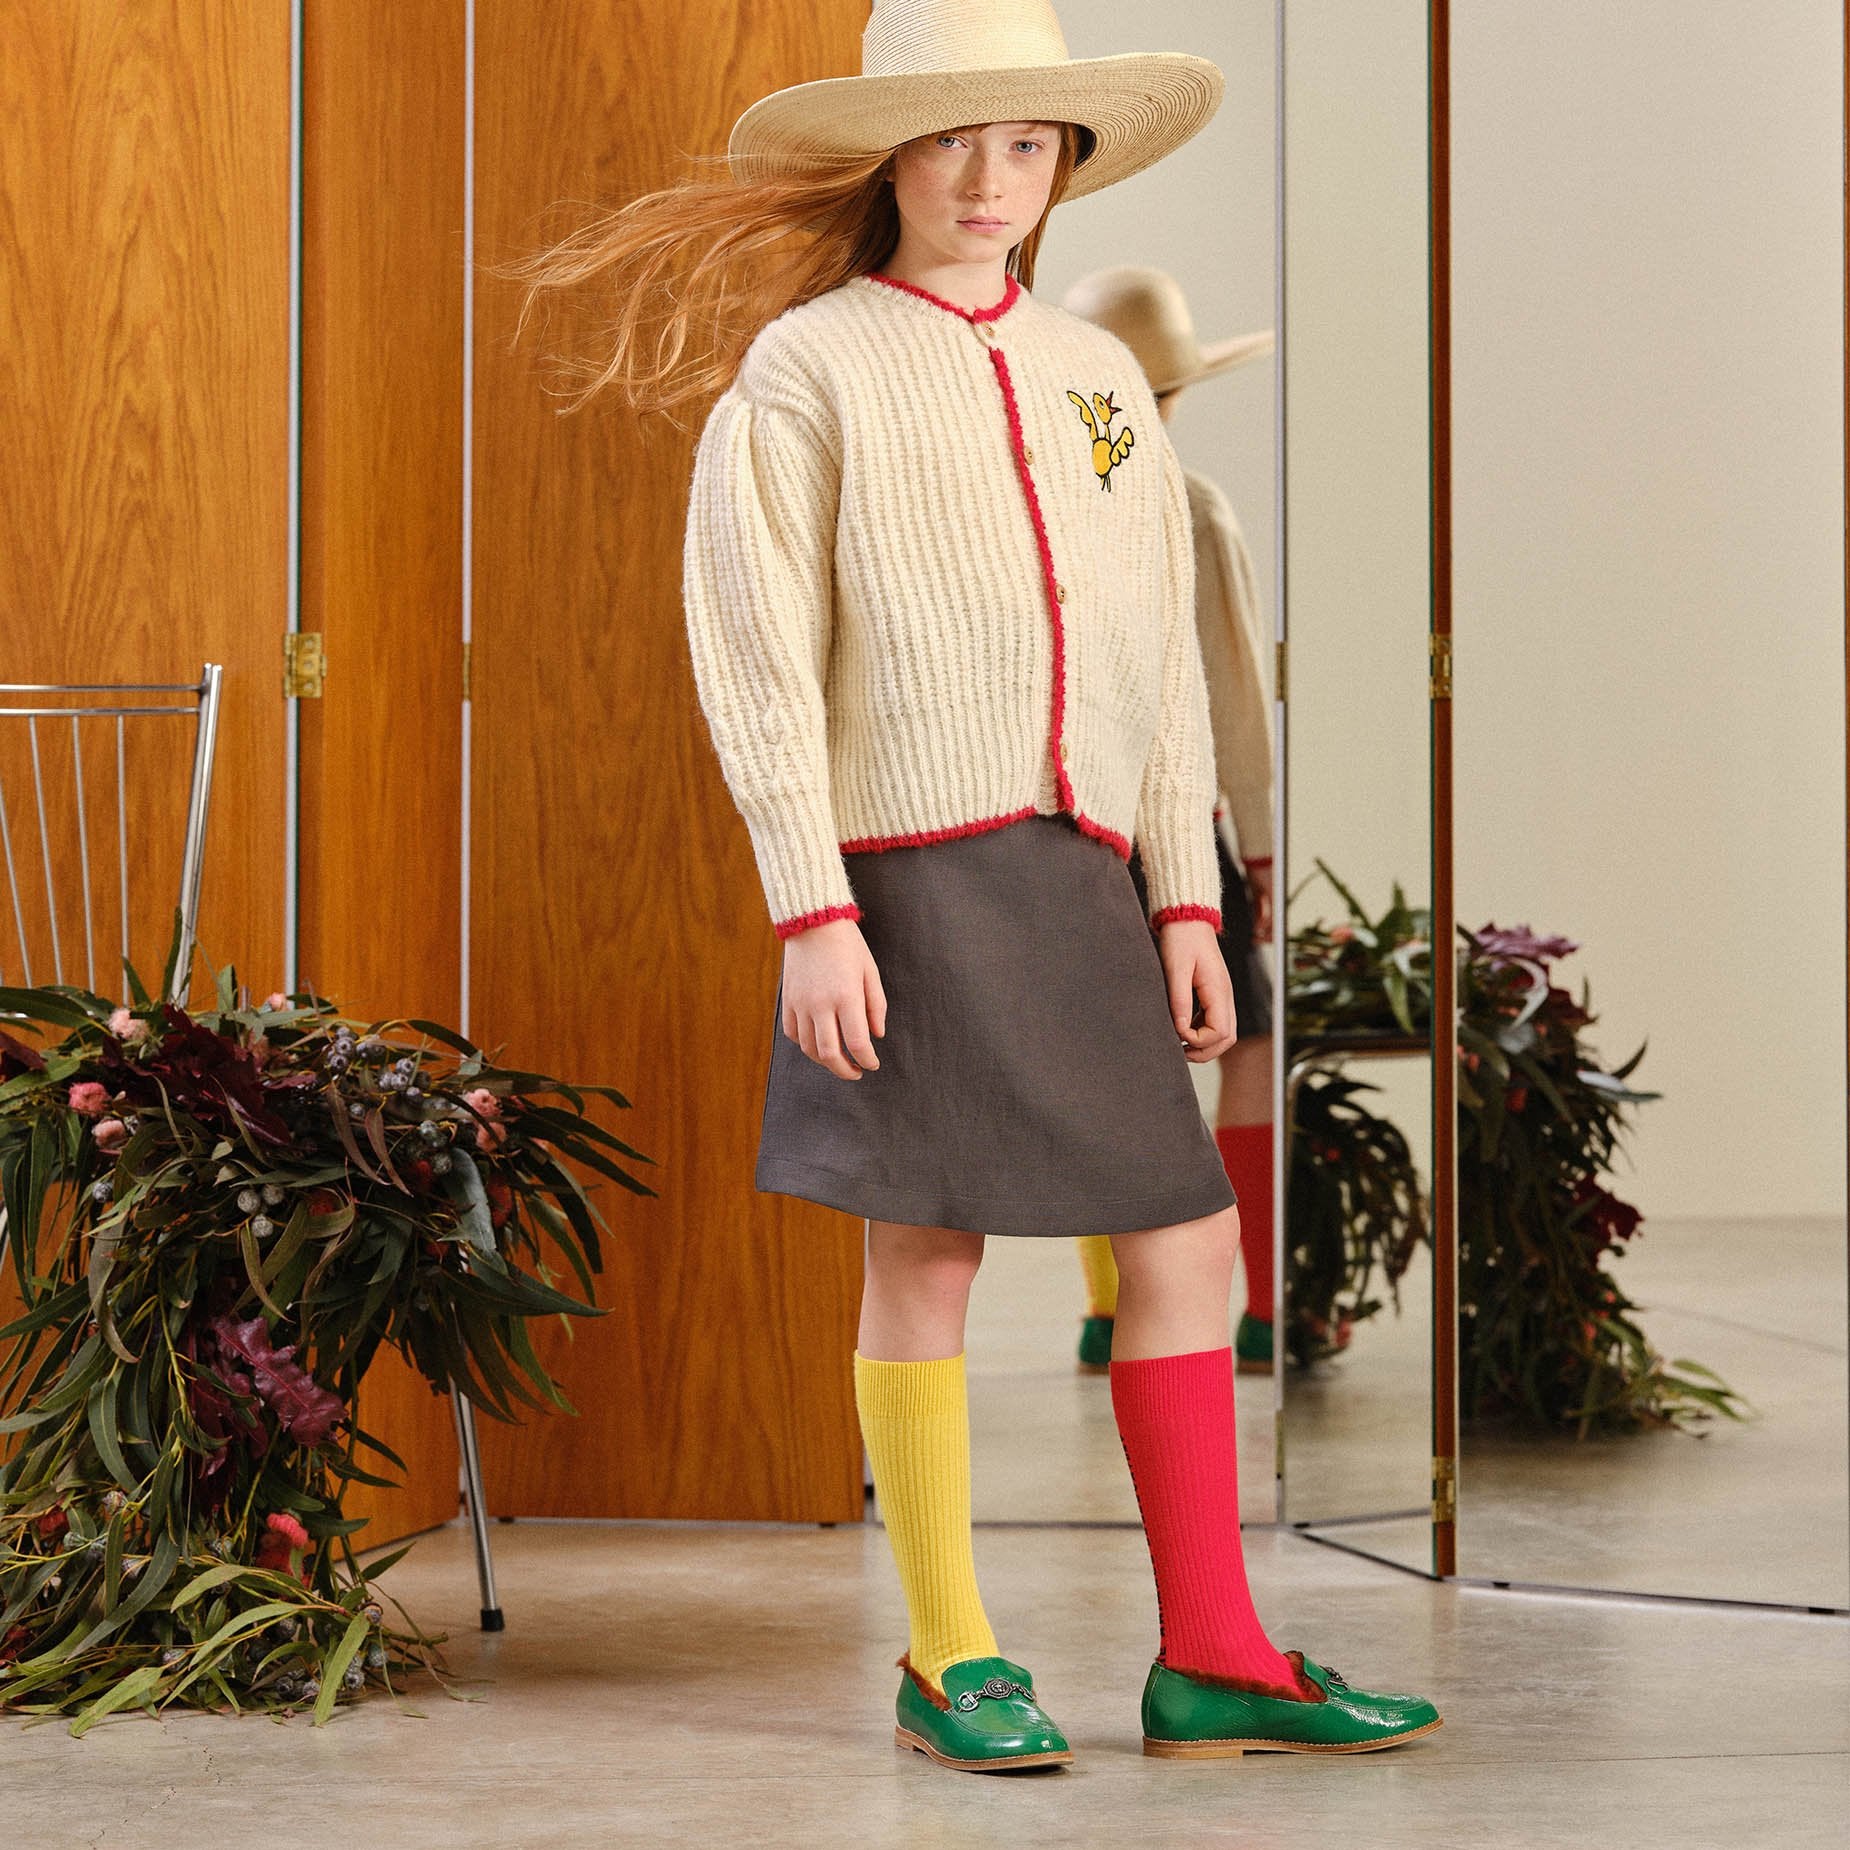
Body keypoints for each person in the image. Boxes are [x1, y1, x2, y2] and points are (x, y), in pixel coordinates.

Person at [510, 0, 1439, 1774]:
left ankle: (1214, 1651)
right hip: (904, 869)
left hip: (1089, 869)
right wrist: (811, 910)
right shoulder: (809, 368)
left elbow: (1156, 657)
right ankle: (949, 1654)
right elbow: (757, 658)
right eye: (949, 138)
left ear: (1064, 164)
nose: (987, 178)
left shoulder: (1100, 380)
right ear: (889, 157)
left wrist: (1186, 899)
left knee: (1187, 1243)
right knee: (924, 1244)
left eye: (1025, 143)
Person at [1059, 265, 1290, 1380]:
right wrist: (1258, 841)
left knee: (1102, 1055)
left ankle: (1106, 1308)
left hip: (1069, 824)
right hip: (1179, 825)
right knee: (1248, 1043)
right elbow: (1232, 691)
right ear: (1180, 387)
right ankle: (1263, 1306)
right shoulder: (1191, 507)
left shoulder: (1040, 502)